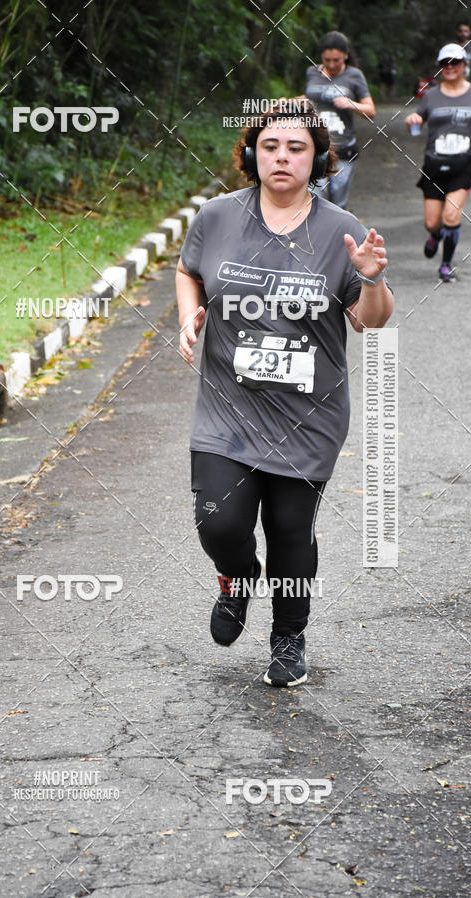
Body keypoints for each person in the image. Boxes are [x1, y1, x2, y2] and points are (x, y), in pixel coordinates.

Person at [176, 99, 393, 687]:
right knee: (219, 523)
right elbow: (189, 269)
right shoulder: (218, 216)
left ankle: (288, 639)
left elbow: (370, 321)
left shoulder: (341, 231)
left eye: (297, 148)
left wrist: (369, 278)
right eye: (270, 145)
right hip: (227, 409)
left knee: (291, 532)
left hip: (308, 417)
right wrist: (189, 316)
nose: (282, 157)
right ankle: (237, 578)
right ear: (251, 152)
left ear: (318, 158)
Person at [406, 43, 471, 282]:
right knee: (432, 222)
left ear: (464, 65)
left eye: (455, 62)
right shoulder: (431, 95)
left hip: (463, 165)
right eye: (445, 63)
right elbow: (418, 119)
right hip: (434, 165)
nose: (450, 67)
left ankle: (446, 265)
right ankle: (435, 236)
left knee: (451, 217)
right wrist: (413, 118)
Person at [305, 31, 375, 209]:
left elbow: (371, 111)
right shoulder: (312, 72)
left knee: (337, 204)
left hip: (343, 150)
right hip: (316, 147)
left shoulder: (355, 75)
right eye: (327, 60)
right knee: (316, 199)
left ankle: (338, 235)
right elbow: (307, 99)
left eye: (336, 60)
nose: (331, 64)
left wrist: (351, 104)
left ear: (346, 55)